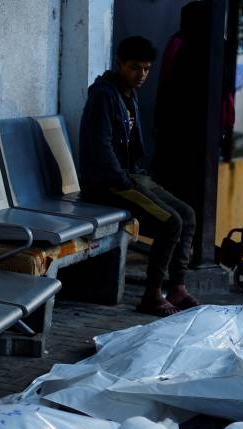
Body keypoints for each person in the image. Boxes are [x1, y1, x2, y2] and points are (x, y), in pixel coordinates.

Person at [78, 35, 199, 317]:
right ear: (119, 63)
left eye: (146, 68)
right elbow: (101, 147)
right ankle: (153, 294)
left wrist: (136, 178)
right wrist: (122, 180)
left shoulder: (128, 94)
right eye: (135, 67)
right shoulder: (104, 96)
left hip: (132, 176)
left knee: (188, 215)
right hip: (108, 183)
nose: (141, 74)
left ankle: (177, 287)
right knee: (171, 223)